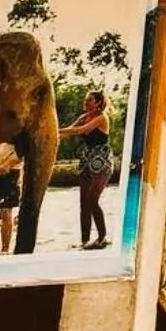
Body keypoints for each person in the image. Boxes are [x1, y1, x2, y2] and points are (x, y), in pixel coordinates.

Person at [60, 88, 114, 249]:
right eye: (85, 100)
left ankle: (102, 237)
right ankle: (84, 241)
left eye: (89, 100)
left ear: (98, 103)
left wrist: (58, 129)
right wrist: (52, 135)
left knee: (92, 200)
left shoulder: (101, 118)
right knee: (84, 203)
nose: (85, 102)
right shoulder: (83, 117)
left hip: (102, 161)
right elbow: (69, 131)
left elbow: (81, 131)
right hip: (86, 161)